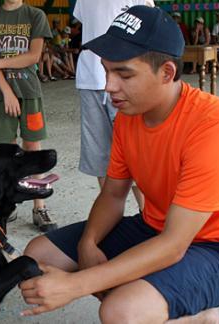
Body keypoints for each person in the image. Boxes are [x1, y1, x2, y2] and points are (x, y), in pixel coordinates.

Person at [20, 6, 219, 323]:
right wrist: (88, 242)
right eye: (106, 70)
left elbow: (174, 245)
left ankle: (197, 317)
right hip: (156, 228)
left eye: (123, 74)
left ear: (167, 73)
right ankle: (165, 299)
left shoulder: (215, 127)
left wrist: (76, 284)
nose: (109, 85)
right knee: (37, 256)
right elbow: (112, 195)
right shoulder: (129, 116)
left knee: (120, 311)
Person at [0, 0, 58, 232]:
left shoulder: (35, 15)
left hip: (30, 92)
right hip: (2, 94)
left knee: (33, 147)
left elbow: (33, 56)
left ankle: (39, 206)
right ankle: (7, 204)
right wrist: (7, 93)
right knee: (6, 150)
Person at [72, 0, 153, 212]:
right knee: (98, 151)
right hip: (90, 77)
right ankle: (112, 214)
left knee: (135, 150)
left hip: (125, 78)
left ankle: (149, 216)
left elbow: (148, 27)